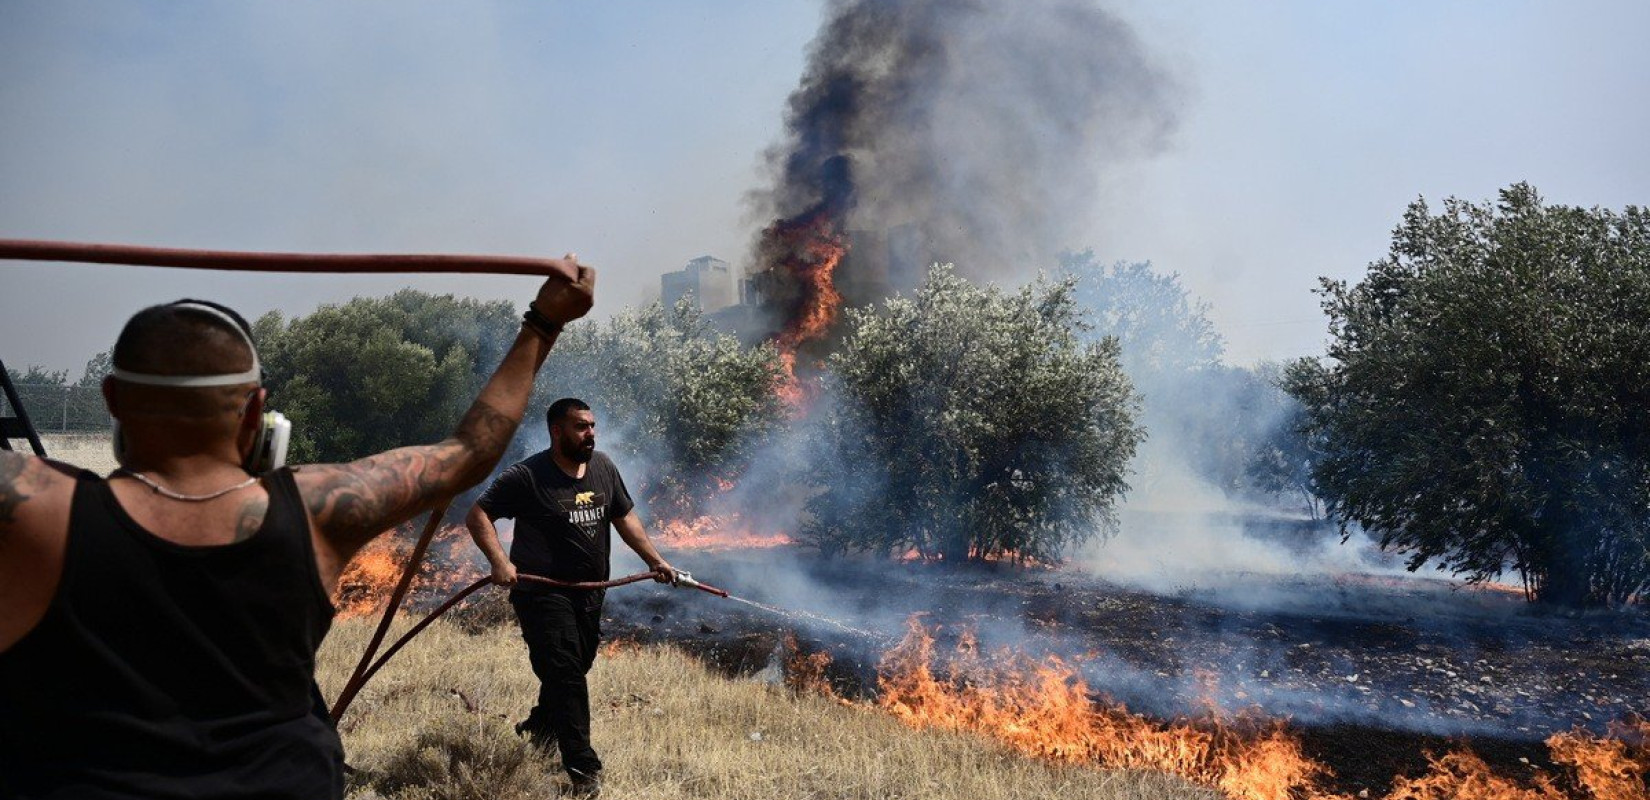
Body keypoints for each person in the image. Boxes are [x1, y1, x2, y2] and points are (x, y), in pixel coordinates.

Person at [0, 258, 594, 800]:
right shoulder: (313, 508)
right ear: (257, 412)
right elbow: (466, 451)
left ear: (111, 399)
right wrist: (543, 322)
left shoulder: (38, 511)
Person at [465, 397, 675, 797]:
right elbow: (478, 515)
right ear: (557, 431)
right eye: (581, 426)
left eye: (593, 425)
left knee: (576, 666)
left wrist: (655, 560)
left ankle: (539, 728)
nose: (590, 433)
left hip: (589, 594)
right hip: (542, 594)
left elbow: (623, 516)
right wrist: (499, 562)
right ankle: (584, 770)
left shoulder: (603, 468)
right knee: (566, 675)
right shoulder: (527, 476)